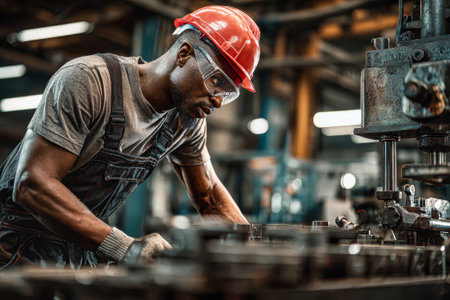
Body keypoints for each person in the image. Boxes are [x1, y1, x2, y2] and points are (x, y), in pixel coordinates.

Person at [0, 5, 260, 269]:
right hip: (15, 249)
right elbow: (32, 185)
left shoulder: (186, 121)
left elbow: (210, 197)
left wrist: (254, 249)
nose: (217, 101)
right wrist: (126, 246)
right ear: (184, 53)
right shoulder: (90, 82)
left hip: (82, 250)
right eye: (216, 81)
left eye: (229, 93)